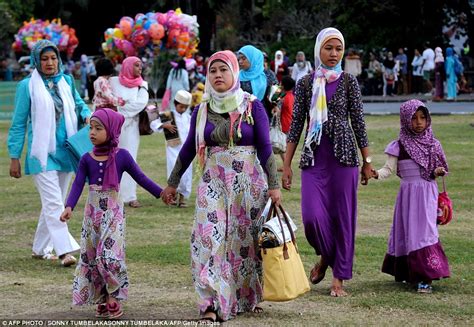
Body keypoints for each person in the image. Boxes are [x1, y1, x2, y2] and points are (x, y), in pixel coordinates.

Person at [161, 50, 281, 322]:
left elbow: (264, 147)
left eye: (223, 70)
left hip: (248, 185)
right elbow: (189, 148)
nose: (217, 75)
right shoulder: (201, 110)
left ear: (234, 73)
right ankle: (211, 302)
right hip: (213, 182)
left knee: (244, 243)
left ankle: (245, 296)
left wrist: (274, 185)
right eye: (213, 70)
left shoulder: (253, 106)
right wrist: (172, 183)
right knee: (209, 237)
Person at [282, 27, 373, 297]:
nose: (334, 54)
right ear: (318, 49)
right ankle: (325, 257)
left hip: (344, 158)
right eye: (328, 48)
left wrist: (367, 161)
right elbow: (296, 126)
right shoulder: (306, 83)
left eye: (338, 49)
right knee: (312, 218)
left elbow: (358, 123)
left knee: (343, 218)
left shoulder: (348, 82)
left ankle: (338, 278)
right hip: (314, 157)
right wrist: (286, 165)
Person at [60, 108, 163, 319]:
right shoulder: (86, 158)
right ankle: (102, 297)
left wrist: (161, 193)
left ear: (112, 130)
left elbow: (141, 178)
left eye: (98, 128)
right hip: (92, 215)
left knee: (109, 256)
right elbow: (78, 184)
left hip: (113, 215)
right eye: (91, 128)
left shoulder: (122, 156)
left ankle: (114, 295)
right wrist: (69, 206)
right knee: (92, 256)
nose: (92, 132)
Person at [7, 40, 91, 266]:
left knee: (54, 202)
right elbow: (18, 124)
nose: (49, 63)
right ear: (36, 61)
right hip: (40, 154)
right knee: (55, 203)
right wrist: (14, 156)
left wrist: (87, 114)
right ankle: (65, 251)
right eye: (44, 59)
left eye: (53, 58)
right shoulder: (27, 86)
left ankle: (40, 248)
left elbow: (78, 102)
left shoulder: (67, 80)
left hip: (66, 150)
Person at [371, 99, 450, 293]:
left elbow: (439, 169)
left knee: (424, 233)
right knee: (408, 232)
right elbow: (388, 169)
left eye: (423, 118)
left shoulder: (433, 144)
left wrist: (438, 170)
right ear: (405, 120)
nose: (419, 122)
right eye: (413, 118)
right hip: (407, 196)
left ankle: (425, 277)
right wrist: (376, 174)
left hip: (426, 194)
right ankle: (409, 273)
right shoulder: (399, 145)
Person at [110, 56, 149, 208]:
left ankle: (130, 196)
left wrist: (121, 109)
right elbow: (108, 99)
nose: (140, 69)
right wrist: (123, 107)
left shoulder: (142, 85)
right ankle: (112, 194)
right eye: (137, 65)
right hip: (113, 127)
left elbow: (140, 104)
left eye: (141, 66)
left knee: (130, 160)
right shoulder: (113, 82)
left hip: (131, 129)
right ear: (127, 66)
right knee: (112, 160)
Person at [151, 90, 193, 207]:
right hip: (173, 150)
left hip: (186, 150)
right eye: (181, 107)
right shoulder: (167, 116)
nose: (183, 109)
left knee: (186, 174)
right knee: (173, 172)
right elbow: (153, 124)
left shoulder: (189, 118)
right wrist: (165, 125)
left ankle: (183, 198)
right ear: (175, 104)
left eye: (185, 107)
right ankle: (172, 196)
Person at [238, 45, 276, 118]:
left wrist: (275, 106)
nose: (240, 62)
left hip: (264, 114)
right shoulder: (237, 76)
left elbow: (277, 91)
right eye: (239, 59)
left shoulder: (268, 74)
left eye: (243, 58)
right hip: (243, 115)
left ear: (253, 58)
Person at [271, 75, 295, 167]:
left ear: (283, 86)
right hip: (289, 122)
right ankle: (286, 164)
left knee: (281, 145)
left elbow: (277, 109)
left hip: (284, 123)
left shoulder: (283, 97)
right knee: (283, 145)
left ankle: (286, 164)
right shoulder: (291, 96)